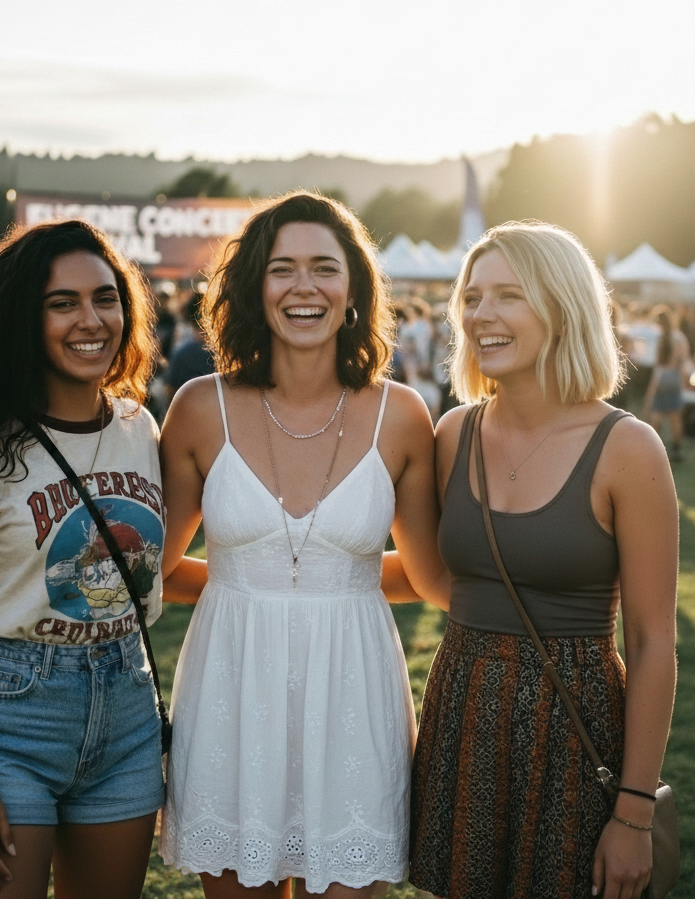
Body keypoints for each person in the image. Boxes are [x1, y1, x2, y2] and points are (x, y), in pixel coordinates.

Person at [157, 191, 450, 897]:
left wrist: (330, 584)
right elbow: (153, 571)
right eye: (282, 268)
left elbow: (432, 579)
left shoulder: (402, 415)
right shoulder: (199, 408)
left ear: (353, 290)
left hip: (354, 689)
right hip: (231, 684)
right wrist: (242, 582)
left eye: (324, 267)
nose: (304, 287)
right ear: (255, 288)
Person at [0, 219, 165, 899]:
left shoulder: (141, 429)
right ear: (24, 317)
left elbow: (151, 566)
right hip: (11, 721)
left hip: (128, 714)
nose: (90, 320)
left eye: (105, 298)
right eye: (61, 303)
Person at [408, 221, 678, 899]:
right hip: (462, 713)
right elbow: (442, 579)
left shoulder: (628, 448)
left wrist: (636, 813)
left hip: (573, 722)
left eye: (509, 296)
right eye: (471, 297)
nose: (481, 315)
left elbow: (652, 642)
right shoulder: (451, 434)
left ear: (562, 305)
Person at [643, 305, 690, 461]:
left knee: (657, 414)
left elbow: (657, 365)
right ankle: (676, 449)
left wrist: (650, 391)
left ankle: (655, 449)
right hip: (674, 378)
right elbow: (683, 361)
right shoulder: (678, 337)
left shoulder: (658, 337)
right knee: (675, 417)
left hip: (661, 378)